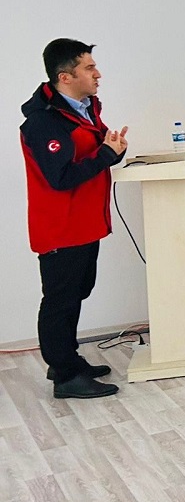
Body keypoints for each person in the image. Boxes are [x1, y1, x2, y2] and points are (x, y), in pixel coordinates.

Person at [21, 39, 129, 400]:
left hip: (84, 225)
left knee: (77, 292)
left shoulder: (83, 110)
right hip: (60, 228)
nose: (97, 74)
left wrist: (111, 151)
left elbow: (91, 156)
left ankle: (66, 359)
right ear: (65, 77)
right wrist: (106, 155)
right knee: (59, 301)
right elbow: (61, 177)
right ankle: (65, 377)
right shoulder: (44, 122)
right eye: (89, 67)